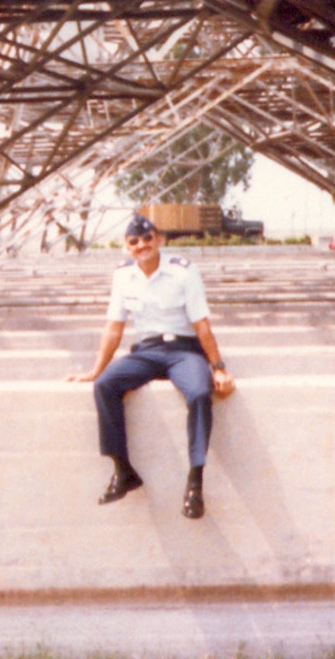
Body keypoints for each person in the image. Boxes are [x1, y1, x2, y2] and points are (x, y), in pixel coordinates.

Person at [65, 214, 233, 518]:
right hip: (148, 351)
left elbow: (201, 324)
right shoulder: (123, 276)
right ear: (127, 247)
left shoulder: (183, 272)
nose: (141, 245)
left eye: (147, 239)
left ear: (159, 239)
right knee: (105, 385)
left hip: (184, 351)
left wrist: (218, 367)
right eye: (134, 242)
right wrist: (95, 371)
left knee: (198, 392)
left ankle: (195, 481)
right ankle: (123, 471)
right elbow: (114, 327)